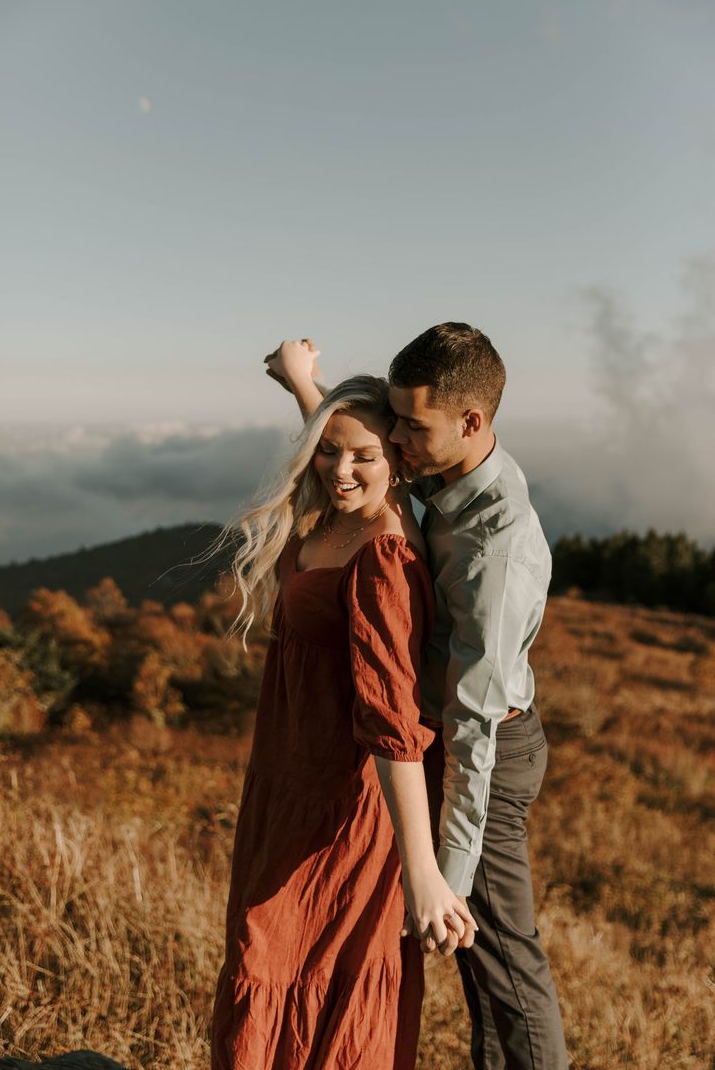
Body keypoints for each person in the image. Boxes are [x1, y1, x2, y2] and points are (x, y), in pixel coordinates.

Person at [265, 326, 569, 1070]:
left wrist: (442, 878)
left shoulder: (497, 548)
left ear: (471, 421)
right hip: (447, 735)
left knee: (501, 967)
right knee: (480, 970)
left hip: (486, 754)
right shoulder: (454, 467)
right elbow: (365, 467)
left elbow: (474, 727)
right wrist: (308, 388)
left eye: (411, 424)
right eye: (393, 419)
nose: (397, 437)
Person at [210, 374, 477, 1070]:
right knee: (270, 955)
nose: (340, 469)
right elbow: (342, 431)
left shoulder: (382, 555)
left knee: (283, 960)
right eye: (326, 452)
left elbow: (393, 724)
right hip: (286, 784)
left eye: (362, 454)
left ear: (398, 457)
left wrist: (422, 872)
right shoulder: (334, 519)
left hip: (343, 806)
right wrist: (303, 381)